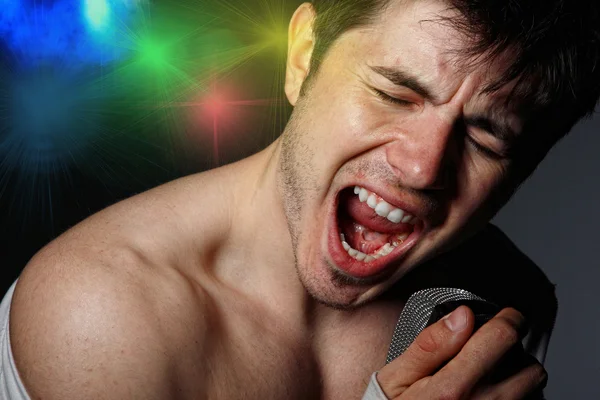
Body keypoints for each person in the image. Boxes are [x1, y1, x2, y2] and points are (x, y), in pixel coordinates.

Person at [1, 0, 599, 398]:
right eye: (395, 92)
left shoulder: (501, 306)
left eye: (484, 139)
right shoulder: (102, 316)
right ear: (303, 55)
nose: (421, 167)